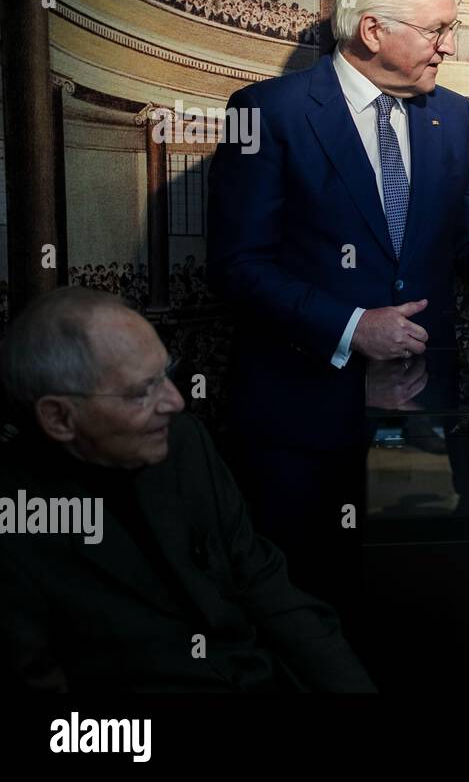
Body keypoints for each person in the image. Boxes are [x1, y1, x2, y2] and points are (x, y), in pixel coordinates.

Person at [207, 0, 469, 605]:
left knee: (417, 601)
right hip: (303, 425)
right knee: (308, 602)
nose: (449, 47)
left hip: (426, 417)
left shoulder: (451, 116)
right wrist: (351, 327)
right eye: (437, 31)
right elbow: (237, 267)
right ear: (373, 31)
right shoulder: (268, 113)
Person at [0, 288, 375, 692]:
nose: (176, 402)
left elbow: (268, 591)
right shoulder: (16, 524)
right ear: (59, 417)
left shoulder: (184, 444)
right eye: (142, 391)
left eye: (167, 373)